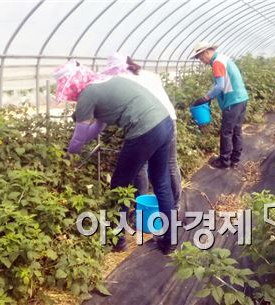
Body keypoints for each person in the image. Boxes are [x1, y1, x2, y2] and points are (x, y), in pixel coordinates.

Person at [54, 60, 176, 254]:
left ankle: (116, 240)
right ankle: (169, 241)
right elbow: (97, 127)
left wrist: (70, 155)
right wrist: (82, 142)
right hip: (165, 122)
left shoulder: (87, 94)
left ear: (72, 84)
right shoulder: (105, 83)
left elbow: (80, 133)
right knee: (161, 182)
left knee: (119, 185)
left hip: (144, 130)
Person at [101, 53, 182, 211]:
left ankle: (141, 206)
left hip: (146, 125)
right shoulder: (150, 75)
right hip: (168, 119)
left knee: (140, 167)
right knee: (170, 165)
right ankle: (175, 205)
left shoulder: (123, 80)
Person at [191, 41, 249, 169]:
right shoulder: (224, 58)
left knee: (226, 132)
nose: (201, 60)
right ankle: (235, 159)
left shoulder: (217, 62)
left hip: (232, 101)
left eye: (200, 57)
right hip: (241, 98)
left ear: (206, 52)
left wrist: (206, 98)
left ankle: (224, 161)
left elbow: (220, 86)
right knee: (237, 130)